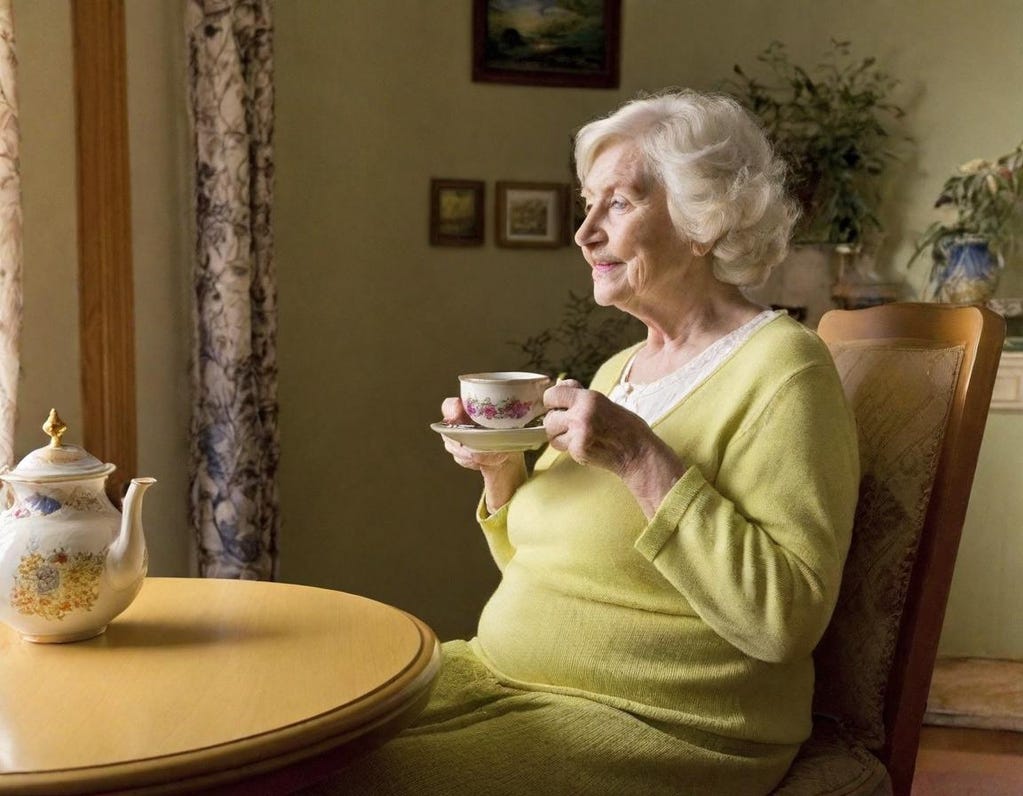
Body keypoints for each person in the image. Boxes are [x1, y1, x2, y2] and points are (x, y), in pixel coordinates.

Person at [306, 90, 859, 795]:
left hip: (666, 722)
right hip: (503, 678)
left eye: (619, 204)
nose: (583, 232)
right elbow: (543, 566)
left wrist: (641, 459)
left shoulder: (783, 370)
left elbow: (783, 620)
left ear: (702, 222)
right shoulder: (618, 371)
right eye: (586, 204)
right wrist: (501, 472)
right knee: (281, 741)